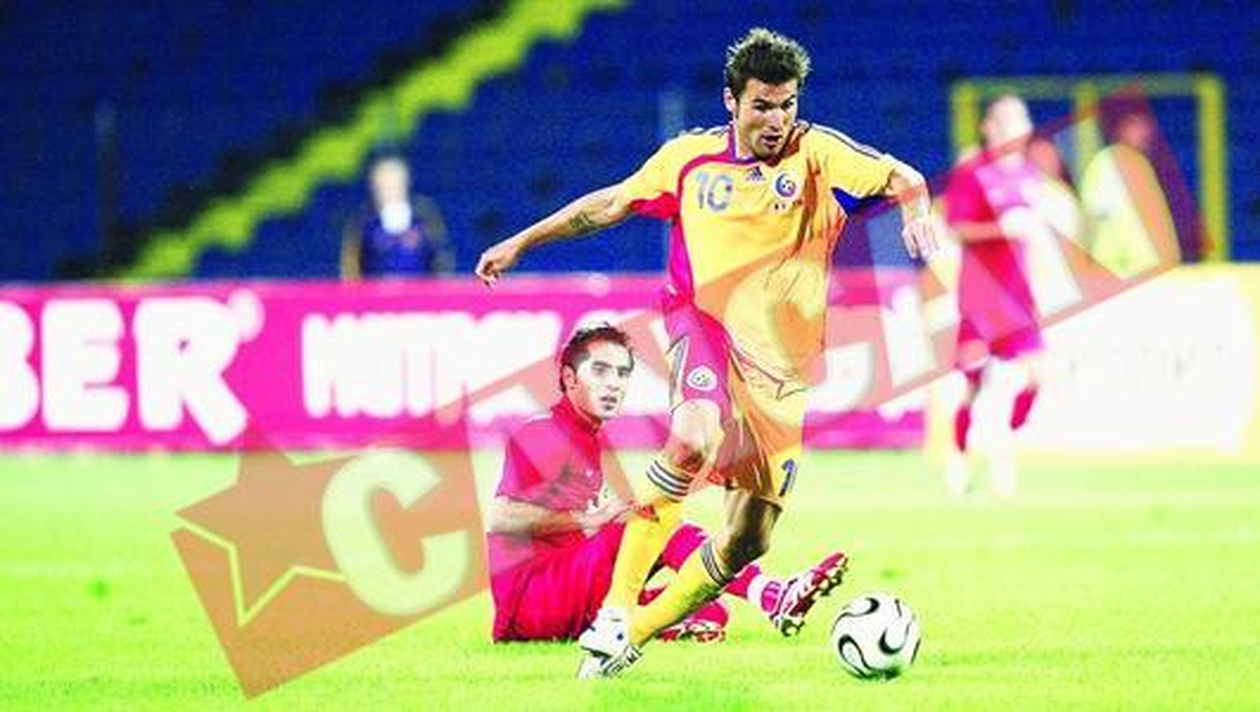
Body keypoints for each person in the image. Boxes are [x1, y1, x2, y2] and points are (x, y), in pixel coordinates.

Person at [476, 28, 939, 678]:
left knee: (748, 539)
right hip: (705, 327)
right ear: (731, 101)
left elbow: (903, 176)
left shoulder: (819, 154)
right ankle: (614, 611)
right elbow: (608, 205)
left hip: (780, 371)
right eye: (762, 106)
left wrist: (916, 211)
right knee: (691, 437)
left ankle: (630, 636)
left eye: (787, 105)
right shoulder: (689, 160)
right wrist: (523, 242)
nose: (777, 120)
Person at [487, 323, 849, 644]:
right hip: (534, 600)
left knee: (707, 609)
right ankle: (772, 594)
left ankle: (644, 630)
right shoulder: (546, 432)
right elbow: (501, 518)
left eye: (622, 373)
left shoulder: (583, 435)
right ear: (569, 378)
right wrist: (590, 519)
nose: (613, 383)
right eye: (600, 370)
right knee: (653, 516)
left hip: (565, 596)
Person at [941, 94, 1057, 498]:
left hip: (1019, 299)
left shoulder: (1030, 174)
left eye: (1022, 120)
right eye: (1009, 120)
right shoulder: (972, 171)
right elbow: (956, 228)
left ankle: (1005, 452)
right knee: (973, 385)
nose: (1018, 128)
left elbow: (1034, 233)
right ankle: (959, 463)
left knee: (1038, 376)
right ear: (989, 127)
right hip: (981, 298)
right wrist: (1001, 230)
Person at [1080, 107, 1179, 279]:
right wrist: (1087, 260)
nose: (1144, 133)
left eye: (1146, 128)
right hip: (1117, 266)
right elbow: (1094, 213)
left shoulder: (1140, 164)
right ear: (1121, 129)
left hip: (1143, 267)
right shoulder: (1108, 162)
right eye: (1136, 126)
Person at [341, 153, 454, 278]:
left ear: (405, 183)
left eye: (394, 182)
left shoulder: (423, 216)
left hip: (420, 288)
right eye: (383, 184)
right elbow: (350, 264)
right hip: (375, 289)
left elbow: (441, 256)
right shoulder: (365, 220)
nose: (389, 189)